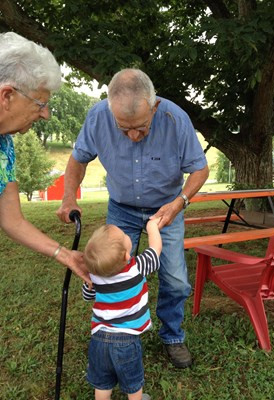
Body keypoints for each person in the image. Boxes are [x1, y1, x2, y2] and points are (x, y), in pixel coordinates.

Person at [57, 68, 209, 368]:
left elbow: (200, 168)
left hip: (167, 209)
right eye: (123, 128)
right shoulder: (98, 116)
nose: (133, 136)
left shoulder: (176, 118)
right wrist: (68, 195)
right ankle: (114, 332)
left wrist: (181, 201)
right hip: (121, 208)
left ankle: (172, 336)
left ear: (154, 106)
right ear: (111, 109)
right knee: (107, 272)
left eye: (140, 126)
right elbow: (78, 158)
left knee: (176, 281)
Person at [0, 31, 90, 284]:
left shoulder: (4, 144)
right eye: (40, 104)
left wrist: (64, 255)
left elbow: (12, 220)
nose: (46, 114)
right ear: (7, 96)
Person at [82, 218, 162, 400]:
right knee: (133, 384)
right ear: (127, 256)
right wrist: (152, 228)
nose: (127, 234)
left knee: (103, 383)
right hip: (127, 340)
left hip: (99, 339)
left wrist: (88, 283)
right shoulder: (136, 267)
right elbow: (155, 250)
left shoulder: (94, 275)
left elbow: (87, 296)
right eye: (125, 235)